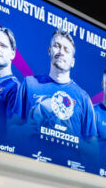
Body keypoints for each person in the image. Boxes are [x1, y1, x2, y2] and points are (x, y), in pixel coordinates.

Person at [15, 30, 97, 170]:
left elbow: (94, 153)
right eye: (57, 46)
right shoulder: (29, 84)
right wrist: (26, 130)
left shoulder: (83, 98)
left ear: (72, 61)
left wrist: (73, 138)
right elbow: (10, 129)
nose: (61, 52)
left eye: (66, 50)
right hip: (29, 170)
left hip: (67, 177)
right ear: (49, 50)